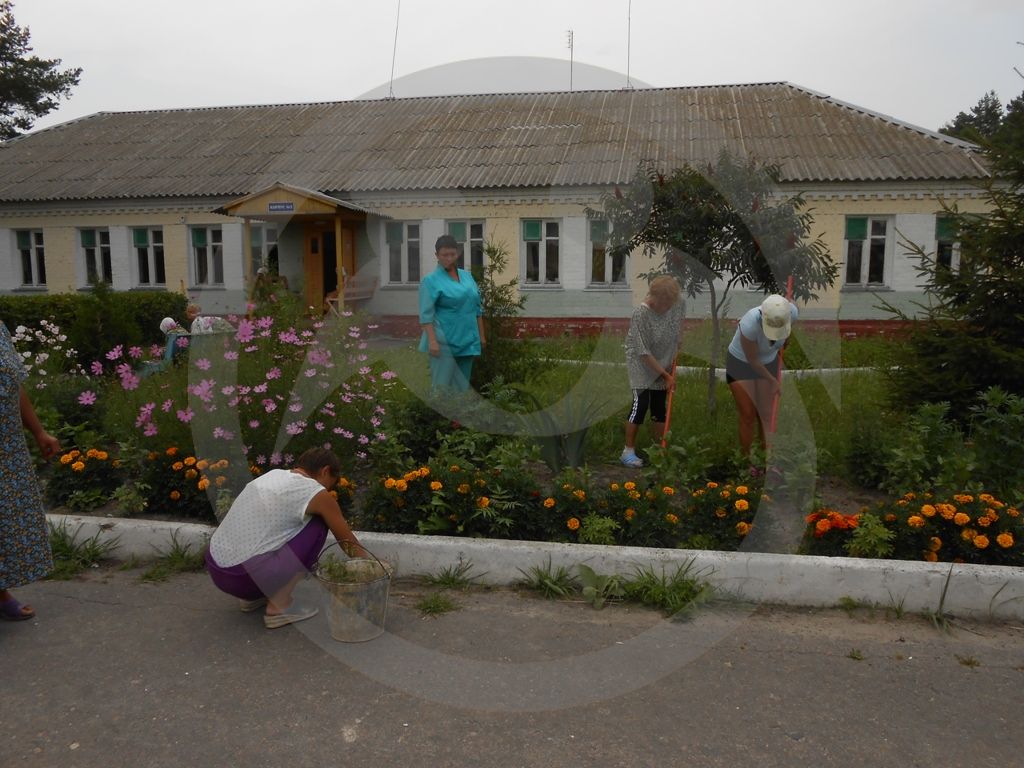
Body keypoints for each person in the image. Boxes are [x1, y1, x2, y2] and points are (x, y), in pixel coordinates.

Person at [205, 448, 366, 629]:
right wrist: (375, 569)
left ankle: (253, 597)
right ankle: (279, 605)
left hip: (216, 568)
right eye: (331, 484)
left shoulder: (272, 475)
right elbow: (348, 544)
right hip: (245, 577)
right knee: (319, 523)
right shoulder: (315, 492)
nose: (329, 489)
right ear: (325, 471)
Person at [0, 322, 61, 621]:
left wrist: (39, 431)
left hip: (6, 449)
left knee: (6, 520)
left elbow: (14, 383)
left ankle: (0, 594)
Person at [621, 275, 685, 468]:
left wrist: (677, 341)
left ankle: (660, 451)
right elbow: (643, 352)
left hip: (663, 358)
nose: (666, 307)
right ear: (654, 297)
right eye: (664, 302)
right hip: (641, 361)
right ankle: (628, 452)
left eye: (670, 303)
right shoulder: (641, 314)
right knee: (641, 404)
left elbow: (677, 326)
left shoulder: (675, 305)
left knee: (659, 405)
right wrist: (666, 376)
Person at [726, 294, 798, 459]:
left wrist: (786, 340)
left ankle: (766, 460)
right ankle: (745, 463)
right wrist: (772, 380)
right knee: (748, 414)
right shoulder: (749, 324)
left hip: (769, 361)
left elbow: (789, 320)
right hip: (742, 363)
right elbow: (753, 361)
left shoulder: (791, 312)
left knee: (766, 413)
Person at [418, 234, 486, 392]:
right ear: (437, 255)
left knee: (461, 389)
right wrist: (433, 342)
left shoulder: (467, 276)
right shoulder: (431, 281)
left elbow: (477, 308)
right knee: (441, 389)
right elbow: (425, 316)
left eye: (452, 254)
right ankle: (441, 417)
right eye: (444, 255)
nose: (449, 258)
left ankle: (457, 417)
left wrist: (481, 336)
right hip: (444, 343)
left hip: (468, 340)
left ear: (458, 253)